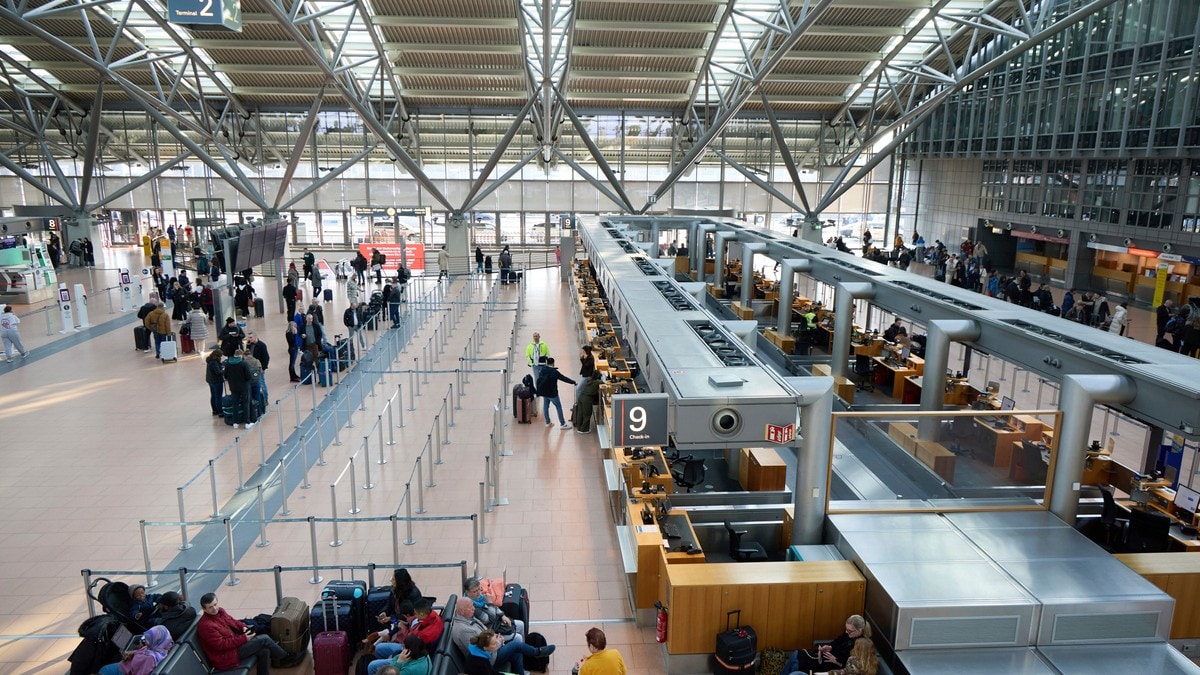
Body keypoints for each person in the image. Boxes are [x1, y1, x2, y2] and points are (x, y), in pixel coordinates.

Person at [451, 597, 554, 675]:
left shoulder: (468, 617)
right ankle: (537, 652)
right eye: (471, 607)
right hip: (489, 658)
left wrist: (495, 637)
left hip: (489, 650)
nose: (474, 609)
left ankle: (522, 671)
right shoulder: (463, 631)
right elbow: (482, 649)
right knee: (516, 644)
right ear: (462, 611)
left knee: (516, 653)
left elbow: (484, 632)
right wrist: (498, 643)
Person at [195, 593, 289, 675]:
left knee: (264, 650)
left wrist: (243, 626)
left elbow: (234, 622)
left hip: (233, 648)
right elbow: (221, 645)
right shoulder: (206, 626)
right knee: (264, 639)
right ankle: (285, 658)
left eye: (215, 604)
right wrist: (244, 638)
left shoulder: (220, 611)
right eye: (210, 607)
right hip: (225, 657)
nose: (214, 608)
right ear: (204, 609)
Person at [782, 614, 870, 674]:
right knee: (797, 655)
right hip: (828, 657)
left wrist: (836, 661)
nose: (847, 632)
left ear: (860, 630)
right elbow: (838, 641)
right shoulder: (848, 634)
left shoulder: (861, 645)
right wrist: (831, 647)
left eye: (850, 631)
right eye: (846, 629)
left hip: (833, 666)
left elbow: (851, 668)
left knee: (797, 661)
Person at [98, 624, 172, 675]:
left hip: (126, 671)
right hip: (127, 665)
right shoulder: (160, 647)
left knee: (104, 670)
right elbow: (145, 651)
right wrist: (133, 653)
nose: (145, 641)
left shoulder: (150, 658)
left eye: (149, 639)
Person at [535, 357, 575, 430]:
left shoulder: (543, 370)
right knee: (558, 407)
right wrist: (573, 382)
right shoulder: (554, 372)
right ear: (553, 363)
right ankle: (563, 424)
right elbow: (564, 378)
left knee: (546, 406)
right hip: (553, 393)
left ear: (547, 363)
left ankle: (547, 422)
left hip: (544, 392)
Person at [224, 349, 255, 429]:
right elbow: (248, 376)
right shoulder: (243, 363)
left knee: (235, 404)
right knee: (245, 403)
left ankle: (235, 423)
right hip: (244, 387)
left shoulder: (228, 364)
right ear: (241, 355)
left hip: (233, 387)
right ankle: (247, 422)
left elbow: (225, 376)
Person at [246, 331, 270, 409]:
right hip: (250, 368)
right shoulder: (249, 345)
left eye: (251, 337)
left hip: (259, 368)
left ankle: (265, 399)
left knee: (262, 383)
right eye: (248, 337)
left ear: (255, 337)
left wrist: (263, 367)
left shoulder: (262, 345)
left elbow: (266, 357)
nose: (249, 339)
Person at [206, 349, 225, 417]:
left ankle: (214, 410)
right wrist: (224, 370)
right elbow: (218, 372)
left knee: (213, 396)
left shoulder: (209, 360)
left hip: (210, 380)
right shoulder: (214, 362)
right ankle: (220, 412)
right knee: (218, 397)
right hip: (217, 381)